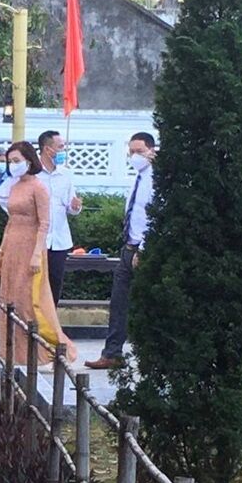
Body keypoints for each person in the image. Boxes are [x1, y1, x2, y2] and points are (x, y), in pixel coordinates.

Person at [0, 141, 76, 366]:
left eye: (16, 160)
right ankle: (10, 350)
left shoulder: (39, 187)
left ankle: (39, 350)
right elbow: (10, 222)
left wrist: (38, 253)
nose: (12, 165)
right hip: (12, 247)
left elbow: (44, 223)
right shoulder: (14, 186)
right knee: (9, 297)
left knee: (28, 300)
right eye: (10, 161)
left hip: (31, 248)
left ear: (29, 161)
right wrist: (0, 253)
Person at [85, 132, 157, 370]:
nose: (134, 156)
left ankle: (150, 356)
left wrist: (143, 249)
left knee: (147, 304)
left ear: (151, 150)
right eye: (131, 151)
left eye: (139, 151)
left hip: (144, 249)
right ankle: (112, 353)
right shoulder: (139, 178)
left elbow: (156, 217)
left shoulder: (156, 179)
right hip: (128, 247)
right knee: (118, 302)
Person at [36, 130, 82, 305]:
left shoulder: (66, 174)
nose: (63, 151)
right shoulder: (32, 173)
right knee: (36, 283)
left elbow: (71, 206)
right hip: (37, 239)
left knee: (55, 282)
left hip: (59, 239)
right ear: (47, 149)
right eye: (60, 147)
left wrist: (75, 207)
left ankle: (51, 318)